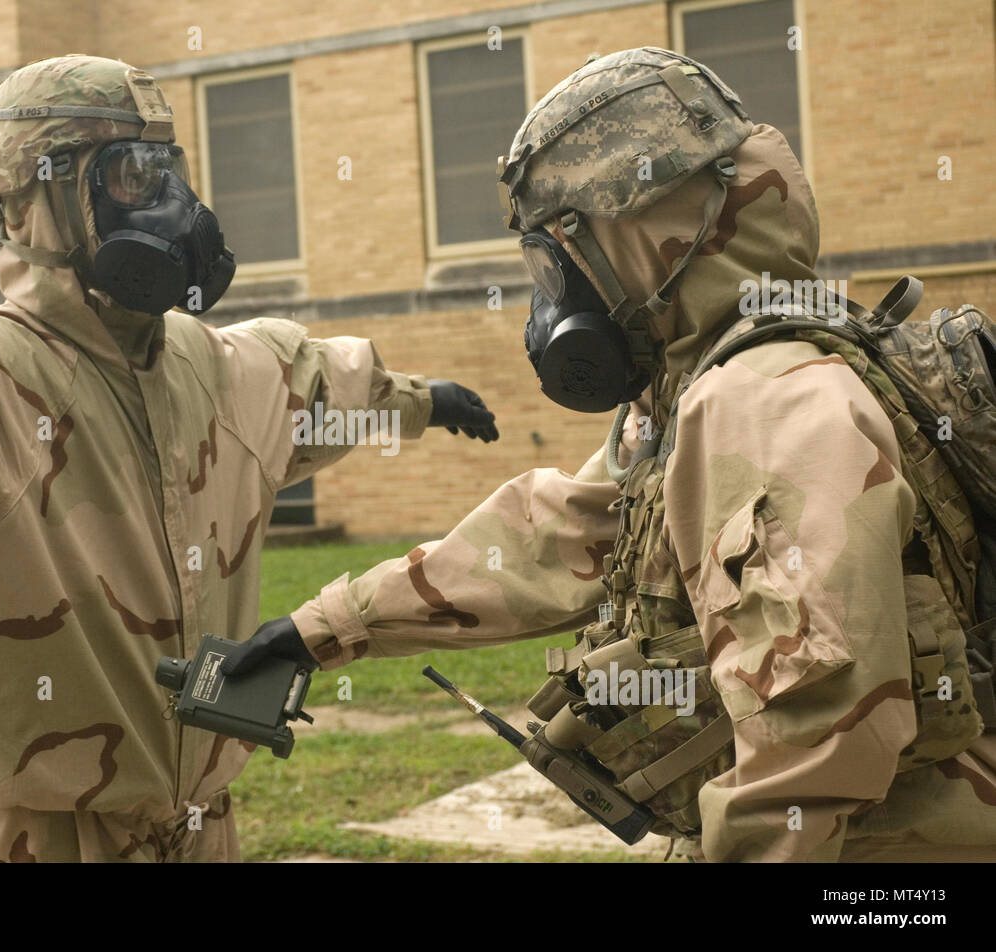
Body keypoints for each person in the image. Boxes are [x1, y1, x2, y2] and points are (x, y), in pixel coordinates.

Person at [0, 54, 499, 862]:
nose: (168, 204)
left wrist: (423, 399)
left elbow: (321, 379)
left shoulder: (212, 366)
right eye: (126, 175)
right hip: (39, 837)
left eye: (165, 168)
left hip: (200, 825)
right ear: (27, 205)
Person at [224, 47, 996, 861]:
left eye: (555, 261)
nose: (553, 300)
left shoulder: (764, 401)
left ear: (637, 235)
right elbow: (556, 536)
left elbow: (810, 738)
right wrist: (322, 628)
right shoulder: (707, 378)